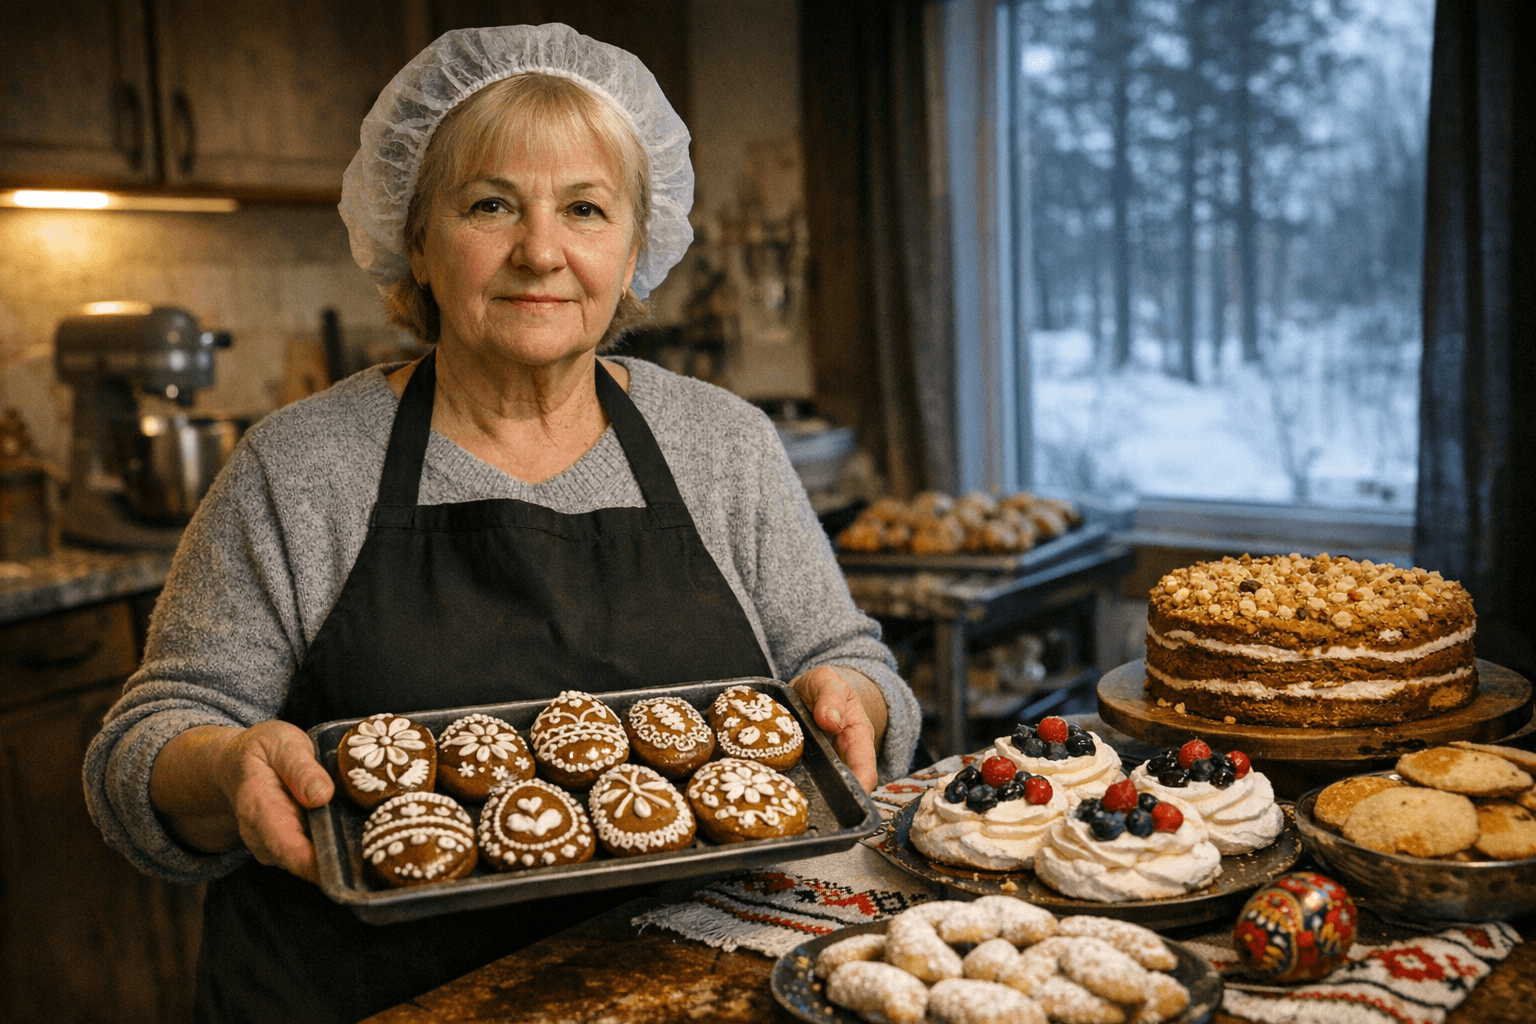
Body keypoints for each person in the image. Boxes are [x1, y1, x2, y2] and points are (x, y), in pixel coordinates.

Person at [82, 23, 920, 1024]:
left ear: (633, 250)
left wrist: (852, 700)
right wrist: (225, 768)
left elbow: (848, 664)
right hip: (370, 996)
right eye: (490, 205)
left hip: (679, 989)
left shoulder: (722, 443)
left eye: (585, 209)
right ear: (417, 241)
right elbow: (143, 747)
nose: (541, 251)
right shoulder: (301, 464)